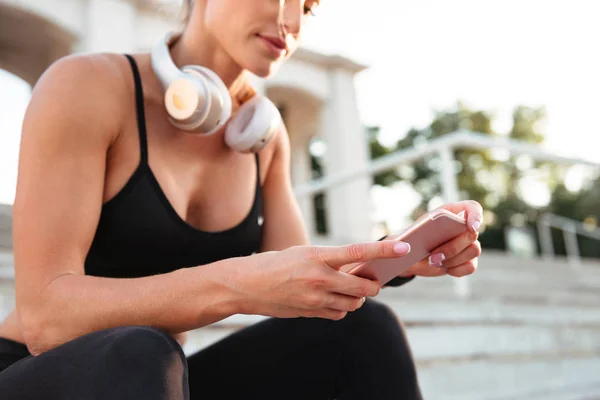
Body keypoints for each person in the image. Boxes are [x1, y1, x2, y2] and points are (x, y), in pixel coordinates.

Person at [0, 0, 483, 398]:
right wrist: (233, 284)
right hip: (41, 371)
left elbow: (311, 280)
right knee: (142, 350)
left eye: (309, 7)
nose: (290, 21)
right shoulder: (88, 86)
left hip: (156, 382)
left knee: (362, 329)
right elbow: (46, 317)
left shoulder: (261, 138)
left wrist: (397, 254)